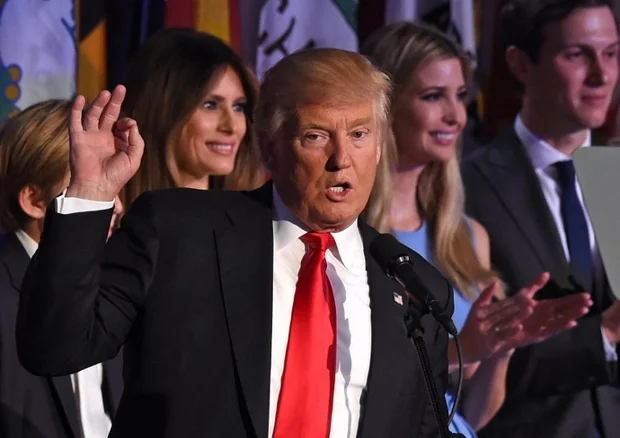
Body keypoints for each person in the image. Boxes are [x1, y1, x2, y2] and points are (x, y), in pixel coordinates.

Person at [15, 49, 464, 437]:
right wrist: (89, 195)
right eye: (316, 136)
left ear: (380, 148)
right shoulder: (176, 233)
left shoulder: (416, 290)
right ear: (268, 147)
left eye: (360, 135)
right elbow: (55, 347)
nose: (341, 159)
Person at [361, 21, 593, 437]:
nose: (456, 115)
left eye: (461, 96)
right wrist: (461, 350)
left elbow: (472, 412)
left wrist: (502, 348)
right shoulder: (349, 235)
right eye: (434, 96)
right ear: (384, 105)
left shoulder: (467, 238)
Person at [462, 0, 620, 436]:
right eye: (577, 54)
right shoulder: (469, 189)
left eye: (611, 53)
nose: (602, 75)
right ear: (520, 64)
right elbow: (465, 361)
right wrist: (605, 334)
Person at [0, 100, 123, 438]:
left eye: (114, 185)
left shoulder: (115, 284)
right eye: (90, 184)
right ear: (34, 201)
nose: (116, 205)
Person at [120, 28, 265, 209]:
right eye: (210, 105)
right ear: (165, 111)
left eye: (238, 107)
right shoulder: (107, 216)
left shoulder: (258, 218)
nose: (232, 126)